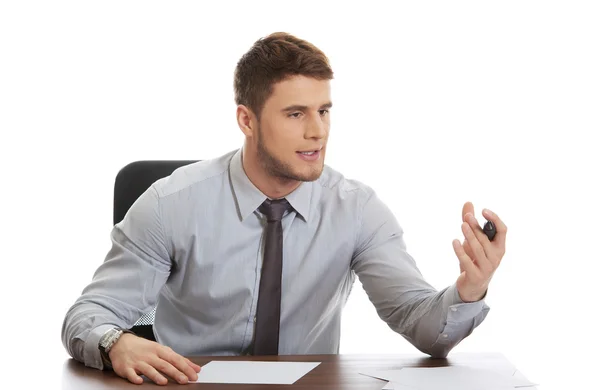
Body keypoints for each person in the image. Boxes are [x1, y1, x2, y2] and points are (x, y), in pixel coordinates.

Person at [62, 32, 507, 386]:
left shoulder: (357, 210)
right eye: (295, 114)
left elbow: (425, 329)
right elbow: (86, 316)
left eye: (324, 111)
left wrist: (469, 290)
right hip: (192, 386)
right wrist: (115, 343)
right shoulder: (169, 205)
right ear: (247, 120)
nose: (317, 132)